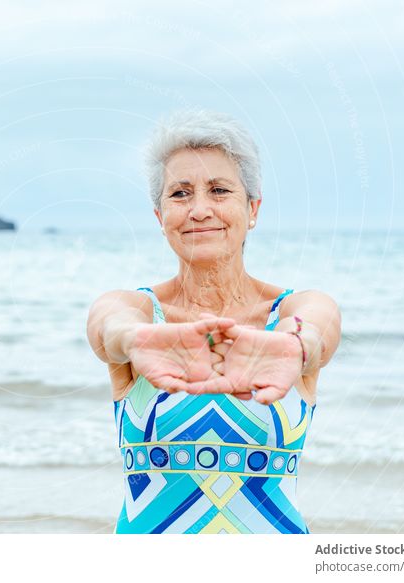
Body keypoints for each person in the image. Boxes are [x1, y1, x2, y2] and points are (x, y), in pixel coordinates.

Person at [86, 110, 342, 534]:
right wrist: (134, 340)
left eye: (219, 190)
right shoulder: (140, 314)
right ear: (159, 216)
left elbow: (318, 329)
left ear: (253, 208)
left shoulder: (294, 311)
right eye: (180, 194)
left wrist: (296, 346)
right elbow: (108, 325)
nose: (199, 209)